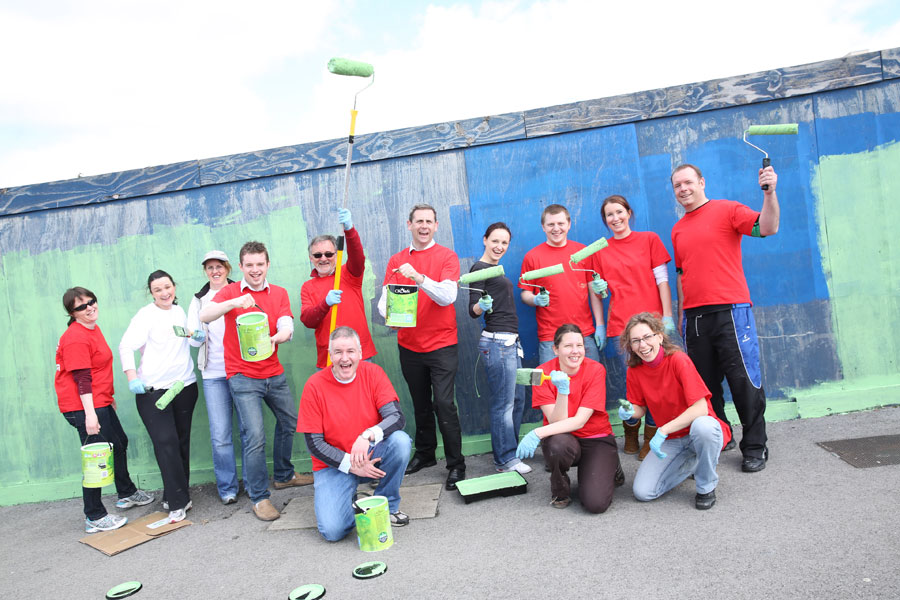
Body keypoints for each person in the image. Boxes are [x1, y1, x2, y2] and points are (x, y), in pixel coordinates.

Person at [670, 163, 778, 472]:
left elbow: (767, 228)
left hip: (732, 312)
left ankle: (755, 446)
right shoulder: (678, 229)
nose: (683, 189)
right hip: (694, 318)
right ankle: (722, 434)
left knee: (744, 381)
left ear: (702, 182)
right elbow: (681, 273)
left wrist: (769, 193)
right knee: (704, 388)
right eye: (677, 185)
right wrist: (681, 312)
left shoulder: (728, 210)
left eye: (688, 182)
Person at [199, 241, 312, 521]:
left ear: (267, 265)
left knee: (290, 422)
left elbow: (286, 322)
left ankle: (284, 475)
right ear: (241, 267)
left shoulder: (279, 293)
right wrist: (233, 302)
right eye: (249, 265)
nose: (255, 270)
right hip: (242, 376)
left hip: (273, 372)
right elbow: (204, 315)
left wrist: (281, 335)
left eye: (260, 264)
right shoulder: (230, 292)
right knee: (255, 437)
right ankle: (260, 497)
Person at [378, 204, 466, 491]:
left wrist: (418, 277)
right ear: (409, 224)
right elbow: (384, 302)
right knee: (419, 404)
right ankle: (426, 454)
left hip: (442, 345)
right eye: (419, 221)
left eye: (429, 221)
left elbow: (448, 296)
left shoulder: (446, 257)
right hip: (410, 346)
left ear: (436, 226)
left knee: (443, 403)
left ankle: (456, 464)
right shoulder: (396, 260)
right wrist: (389, 312)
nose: (424, 226)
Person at [297, 326, 412, 541]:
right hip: (334, 464)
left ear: (360, 353)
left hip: (369, 451)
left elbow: (396, 417)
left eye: (350, 351)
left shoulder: (373, 373)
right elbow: (314, 443)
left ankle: (386, 505)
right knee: (333, 531)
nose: (344, 358)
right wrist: (350, 464)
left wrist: (367, 435)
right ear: (329, 355)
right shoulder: (314, 386)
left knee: (401, 442)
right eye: (338, 352)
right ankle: (353, 501)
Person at [55, 287, 154, 533]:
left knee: (118, 443)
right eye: (81, 306)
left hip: (98, 401)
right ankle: (94, 516)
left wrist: (106, 399)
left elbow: (97, 370)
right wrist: (90, 414)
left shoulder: (91, 328)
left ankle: (126, 492)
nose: (89, 307)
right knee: (96, 460)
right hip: (83, 406)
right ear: (72, 313)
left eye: (92, 301)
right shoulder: (76, 337)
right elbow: (82, 379)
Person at [618, 312, 731, 510]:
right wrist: (629, 412)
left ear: (659, 337)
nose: (642, 345)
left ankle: (706, 486)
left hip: (698, 430)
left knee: (703, 428)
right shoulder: (634, 371)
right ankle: (692, 464)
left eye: (647, 337)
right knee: (643, 492)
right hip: (672, 440)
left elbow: (700, 408)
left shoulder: (678, 360)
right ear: (630, 346)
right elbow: (640, 408)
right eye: (635, 341)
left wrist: (663, 430)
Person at [591, 194, 673, 459]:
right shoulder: (599, 250)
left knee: (658, 386)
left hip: (653, 326)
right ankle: (630, 433)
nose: (615, 218)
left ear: (629, 212)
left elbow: (662, 280)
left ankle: (650, 437)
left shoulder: (649, 239)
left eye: (619, 212)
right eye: (609, 215)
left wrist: (668, 316)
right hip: (621, 329)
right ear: (605, 221)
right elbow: (596, 291)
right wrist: (600, 324)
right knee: (633, 386)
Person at [515, 324, 623, 512]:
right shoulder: (542, 374)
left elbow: (580, 421)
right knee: (557, 446)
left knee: (595, 504)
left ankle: (610, 465)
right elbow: (558, 423)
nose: (575, 351)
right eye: (568, 346)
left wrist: (536, 433)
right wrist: (562, 392)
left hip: (595, 438)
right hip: (564, 439)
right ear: (555, 349)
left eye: (579, 346)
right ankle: (560, 490)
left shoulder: (596, 370)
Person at [119, 270, 200, 523]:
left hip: (185, 387)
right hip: (154, 392)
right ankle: (177, 504)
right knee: (166, 443)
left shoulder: (179, 312)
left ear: (174, 286)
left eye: (168, 287)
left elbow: (186, 338)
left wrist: (194, 336)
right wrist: (132, 377)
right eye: (158, 290)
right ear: (151, 293)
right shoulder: (146, 315)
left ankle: (176, 494)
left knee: (181, 442)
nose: (165, 293)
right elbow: (126, 346)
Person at [467, 222, 530, 474]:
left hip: (510, 342)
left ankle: (510, 452)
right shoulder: (479, 268)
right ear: (485, 240)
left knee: (517, 399)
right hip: (496, 342)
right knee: (504, 403)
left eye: (504, 243)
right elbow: (472, 311)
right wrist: (482, 304)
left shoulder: (496, 269)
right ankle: (504, 460)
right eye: (495, 241)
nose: (499, 246)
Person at [519, 204, 604, 364]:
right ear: (543, 227)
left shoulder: (582, 252)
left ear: (569, 224)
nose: (556, 229)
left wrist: (600, 325)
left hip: (583, 334)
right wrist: (535, 300)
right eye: (551, 224)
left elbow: (594, 292)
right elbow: (525, 293)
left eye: (561, 223)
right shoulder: (532, 257)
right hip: (551, 337)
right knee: (550, 386)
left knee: (592, 382)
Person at [187, 250, 240, 504]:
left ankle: (254, 485)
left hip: (240, 371)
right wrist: (195, 337)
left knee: (249, 431)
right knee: (221, 436)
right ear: (205, 271)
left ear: (228, 268)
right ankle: (228, 488)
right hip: (213, 374)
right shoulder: (198, 300)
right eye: (210, 267)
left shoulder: (239, 291)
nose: (215, 271)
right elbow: (194, 337)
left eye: (219, 266)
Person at [300, 208, 377, 369]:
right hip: (329, 358)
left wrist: (349, 229)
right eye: (317, 255)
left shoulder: (348, 274)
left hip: (359, 355)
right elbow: (308, 320)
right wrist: (325, 304)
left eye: (328, 254)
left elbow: (357, 256)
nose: (323, 259)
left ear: (336, 254)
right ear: (310, 258)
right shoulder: (308, 287)